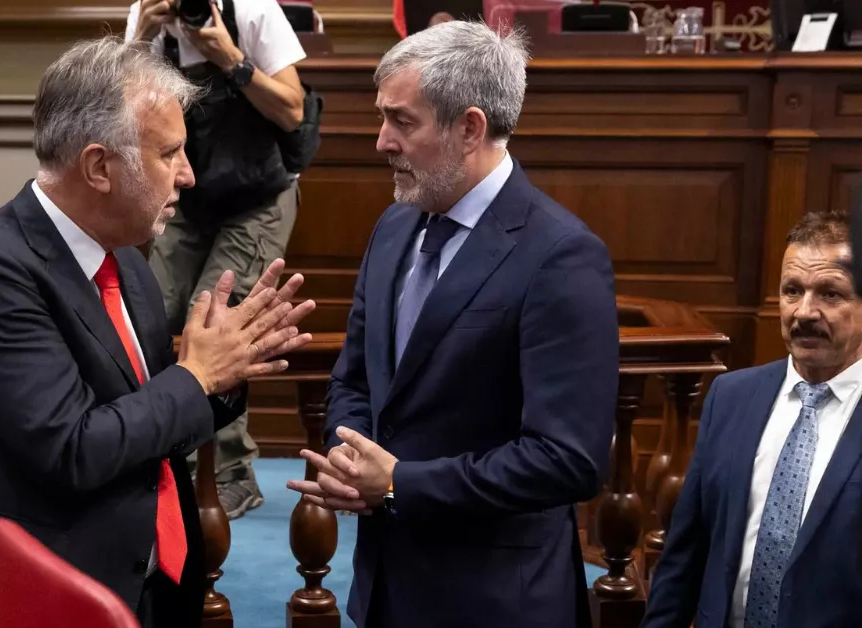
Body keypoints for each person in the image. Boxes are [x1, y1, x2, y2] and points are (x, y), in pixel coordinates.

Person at [0, 37, 315, 628]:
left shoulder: (124, 261)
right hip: (34, 594)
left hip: (143, 581)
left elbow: (154, 420)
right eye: (170, 153)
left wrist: (228, 370)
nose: (189, 175)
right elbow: (72, 449)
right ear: (99, 166)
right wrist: (196, 375)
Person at [286, 20, 620, 628]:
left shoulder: (561, 254)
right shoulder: (393, 228)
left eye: (402, 121)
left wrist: (399, 484)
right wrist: (349, 455)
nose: (381, 140)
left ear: (469, 128)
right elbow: (355, 380)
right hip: (387, 586)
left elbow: (568, 458)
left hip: (495, 600)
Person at [126, 0, 313, 518]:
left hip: (258, 198)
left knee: (217, 317)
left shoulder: (252, 11)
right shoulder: (148, 19)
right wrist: (142, 33)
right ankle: (168, 457)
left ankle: (232, 471)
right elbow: (117, 104)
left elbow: (292, 109)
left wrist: (230, 58)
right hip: (189, 195)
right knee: (151, 314)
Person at [643, 210, 862, 628]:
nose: (804, 312)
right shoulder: (731, 397)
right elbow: (685, 555)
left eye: (830, 294)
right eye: (792, 290)